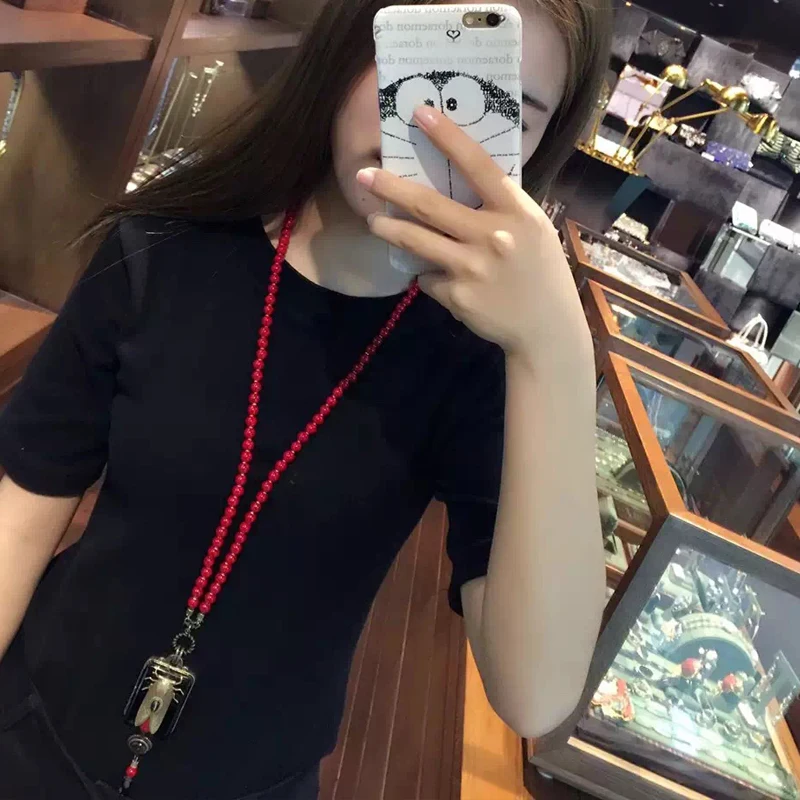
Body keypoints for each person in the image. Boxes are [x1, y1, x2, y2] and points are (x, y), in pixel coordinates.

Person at [0, 0, 611, 798]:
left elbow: (534, 694)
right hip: (37, 725)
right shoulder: (164, 248)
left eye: (500, 110)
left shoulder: (478, 358)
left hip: (255, 777)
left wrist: (557, 352)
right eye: (417, 66)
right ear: (348, 46)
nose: (434, 127)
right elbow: (25, 501)